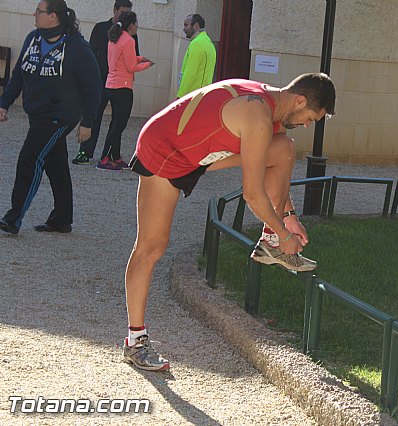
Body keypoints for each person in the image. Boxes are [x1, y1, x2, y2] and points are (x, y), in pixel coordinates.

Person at [122, 73, 336, 370]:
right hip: (165, 151)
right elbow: (253, 194)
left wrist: (289, 218)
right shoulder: (257, 115)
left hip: (195, 154)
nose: (306, 125)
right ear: (299, 100)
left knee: (284, 148)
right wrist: (285, 234)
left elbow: (269, 167)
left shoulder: (270, 107)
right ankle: (135, 342)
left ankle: (269, 242)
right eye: (311, 118)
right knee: (151, 247)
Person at [0, 0, 101, 235]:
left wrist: (88, 122)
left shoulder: (77, 47)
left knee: (30, 157)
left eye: (39, 11)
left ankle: (13, 218)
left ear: (53, 16)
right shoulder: (33, 39)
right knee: (56, 164)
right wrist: (4, 103)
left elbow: (93, 87)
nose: (34, 14)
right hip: (37, 113)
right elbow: (19, 75)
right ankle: (62, 219)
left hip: (59, 115)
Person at [72, 0, 139, 166]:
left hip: (120, 83)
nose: (125, 17)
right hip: (99, 80)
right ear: (114, 10)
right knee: (93, 115)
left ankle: (111, 155)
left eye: (128, 14)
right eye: (122, 13)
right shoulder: (101, 28)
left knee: (118, 120)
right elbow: (91, 53)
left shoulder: (131, 33)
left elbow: (134, 56)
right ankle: (84, 152)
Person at [96, 11, 153, 171]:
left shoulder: (115, 37)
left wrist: (140, 58)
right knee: (119, 124)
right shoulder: (128, 40)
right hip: (123, 87)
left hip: (111, 85)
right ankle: (105, 158)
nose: (138, 26)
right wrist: (147, 64)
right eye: (136, 23)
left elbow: (125, 59)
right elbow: (131, 67)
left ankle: (115, 156)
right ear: (131, 25)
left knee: (116, 122)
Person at [177, 14, 216, 98]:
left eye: (186, 25)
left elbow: (189, 74)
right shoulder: (209, 43)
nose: (184, 29)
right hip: (203, 95)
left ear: (196, 26)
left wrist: (180, 97)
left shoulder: (197, 44)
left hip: (192, 97)